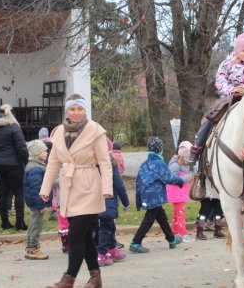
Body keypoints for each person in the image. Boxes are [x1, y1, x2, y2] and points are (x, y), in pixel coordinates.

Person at [40, 93, 113, 288]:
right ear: (67, 111)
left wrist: (107, 188)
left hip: (89, 186)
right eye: (72, 109)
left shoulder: (95, 131)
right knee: (85, 236)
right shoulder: (58, 132)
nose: (76, 113)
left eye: (79, 108)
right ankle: (96, 278)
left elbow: (105, 163)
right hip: (69, 188)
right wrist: (45, 188)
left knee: (74, 236)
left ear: (85, 110)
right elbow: (53, 163)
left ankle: (68, 279)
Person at [188, 32, 244, 164]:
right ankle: (197, 148)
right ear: (237, 51)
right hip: (229, 98)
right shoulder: (227, 64)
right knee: (211, 118)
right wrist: (232, 90)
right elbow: (220, 80)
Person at [129, 137, 185, 253]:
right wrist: (180, 180)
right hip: (155, 195)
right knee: (149, 219)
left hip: (147, 195)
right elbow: (168, 178)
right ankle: (136, 242)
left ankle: (171, 239)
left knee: (161, 217)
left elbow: (139, 182)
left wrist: (139, 198)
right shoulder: (159, 163)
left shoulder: (144, 164)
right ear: (160, 150)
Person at [0, 104, 29, 230]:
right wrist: (26, 162)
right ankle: (20, 222)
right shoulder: (13, 127)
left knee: (3, 193)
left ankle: (5, 222)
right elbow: (22, 148)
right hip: (13, 164)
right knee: (19, 193)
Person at [96, 138, 129, 266]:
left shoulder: (92, 163)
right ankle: (101, 254)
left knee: (109, 226)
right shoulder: (110, 163)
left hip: (95, 201)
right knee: (105, 228)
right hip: (108, 201)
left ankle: (112, 249)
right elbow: (118, 184)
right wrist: (125, 201)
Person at [24, 140, 52, 260]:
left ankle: (30, 247)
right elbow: (36, 188)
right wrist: (41, 204)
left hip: (34, 200)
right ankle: (34, 249)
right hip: (37, 201)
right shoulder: (36, 168)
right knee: (37, 225)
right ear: (36, 153)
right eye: (44, 150)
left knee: (33, 224)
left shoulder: (35, 165)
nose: (46, 152)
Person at [167, 141, 195, 242]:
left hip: (180, 193)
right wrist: (188, 177)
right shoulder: (175, 164)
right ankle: (183, 234)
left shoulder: (184, 163)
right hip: (176, 193)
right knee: (180, 213)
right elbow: (172, 178)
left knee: (176, 213)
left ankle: (175, 232)